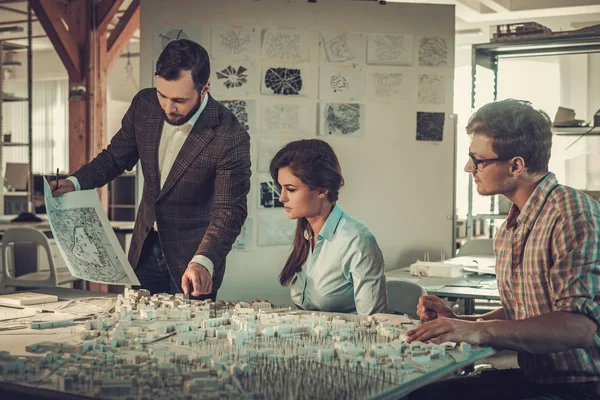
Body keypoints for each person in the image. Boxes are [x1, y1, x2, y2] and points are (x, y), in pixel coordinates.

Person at [406, 99, 600, 400]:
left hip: (579, 387)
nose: (469, 167)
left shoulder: (572, 213)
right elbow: (522, 315)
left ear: (516, 165)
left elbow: (578, 327)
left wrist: (479, 330)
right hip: (536, 378)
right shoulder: (511, 227)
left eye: (478, 160)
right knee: (420, 395)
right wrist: (458, 323)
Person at [50, 39, 251, 300]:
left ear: (204, 90)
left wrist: (204, 260)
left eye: (179, 99)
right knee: (136, 333)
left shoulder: (230, 136)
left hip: (192, 261)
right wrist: (74, 182)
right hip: (144, 249)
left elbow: (229, 210)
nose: (168, 107)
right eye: (162, 95)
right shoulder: (145, 105)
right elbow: (115, 157)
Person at [269, 139, 387, 315]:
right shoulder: (306, 233)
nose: (282, 198)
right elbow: (308, 311)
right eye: (281, 188)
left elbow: (373, 322)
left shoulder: (357, 241)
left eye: (291, 189)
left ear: (322, 191)